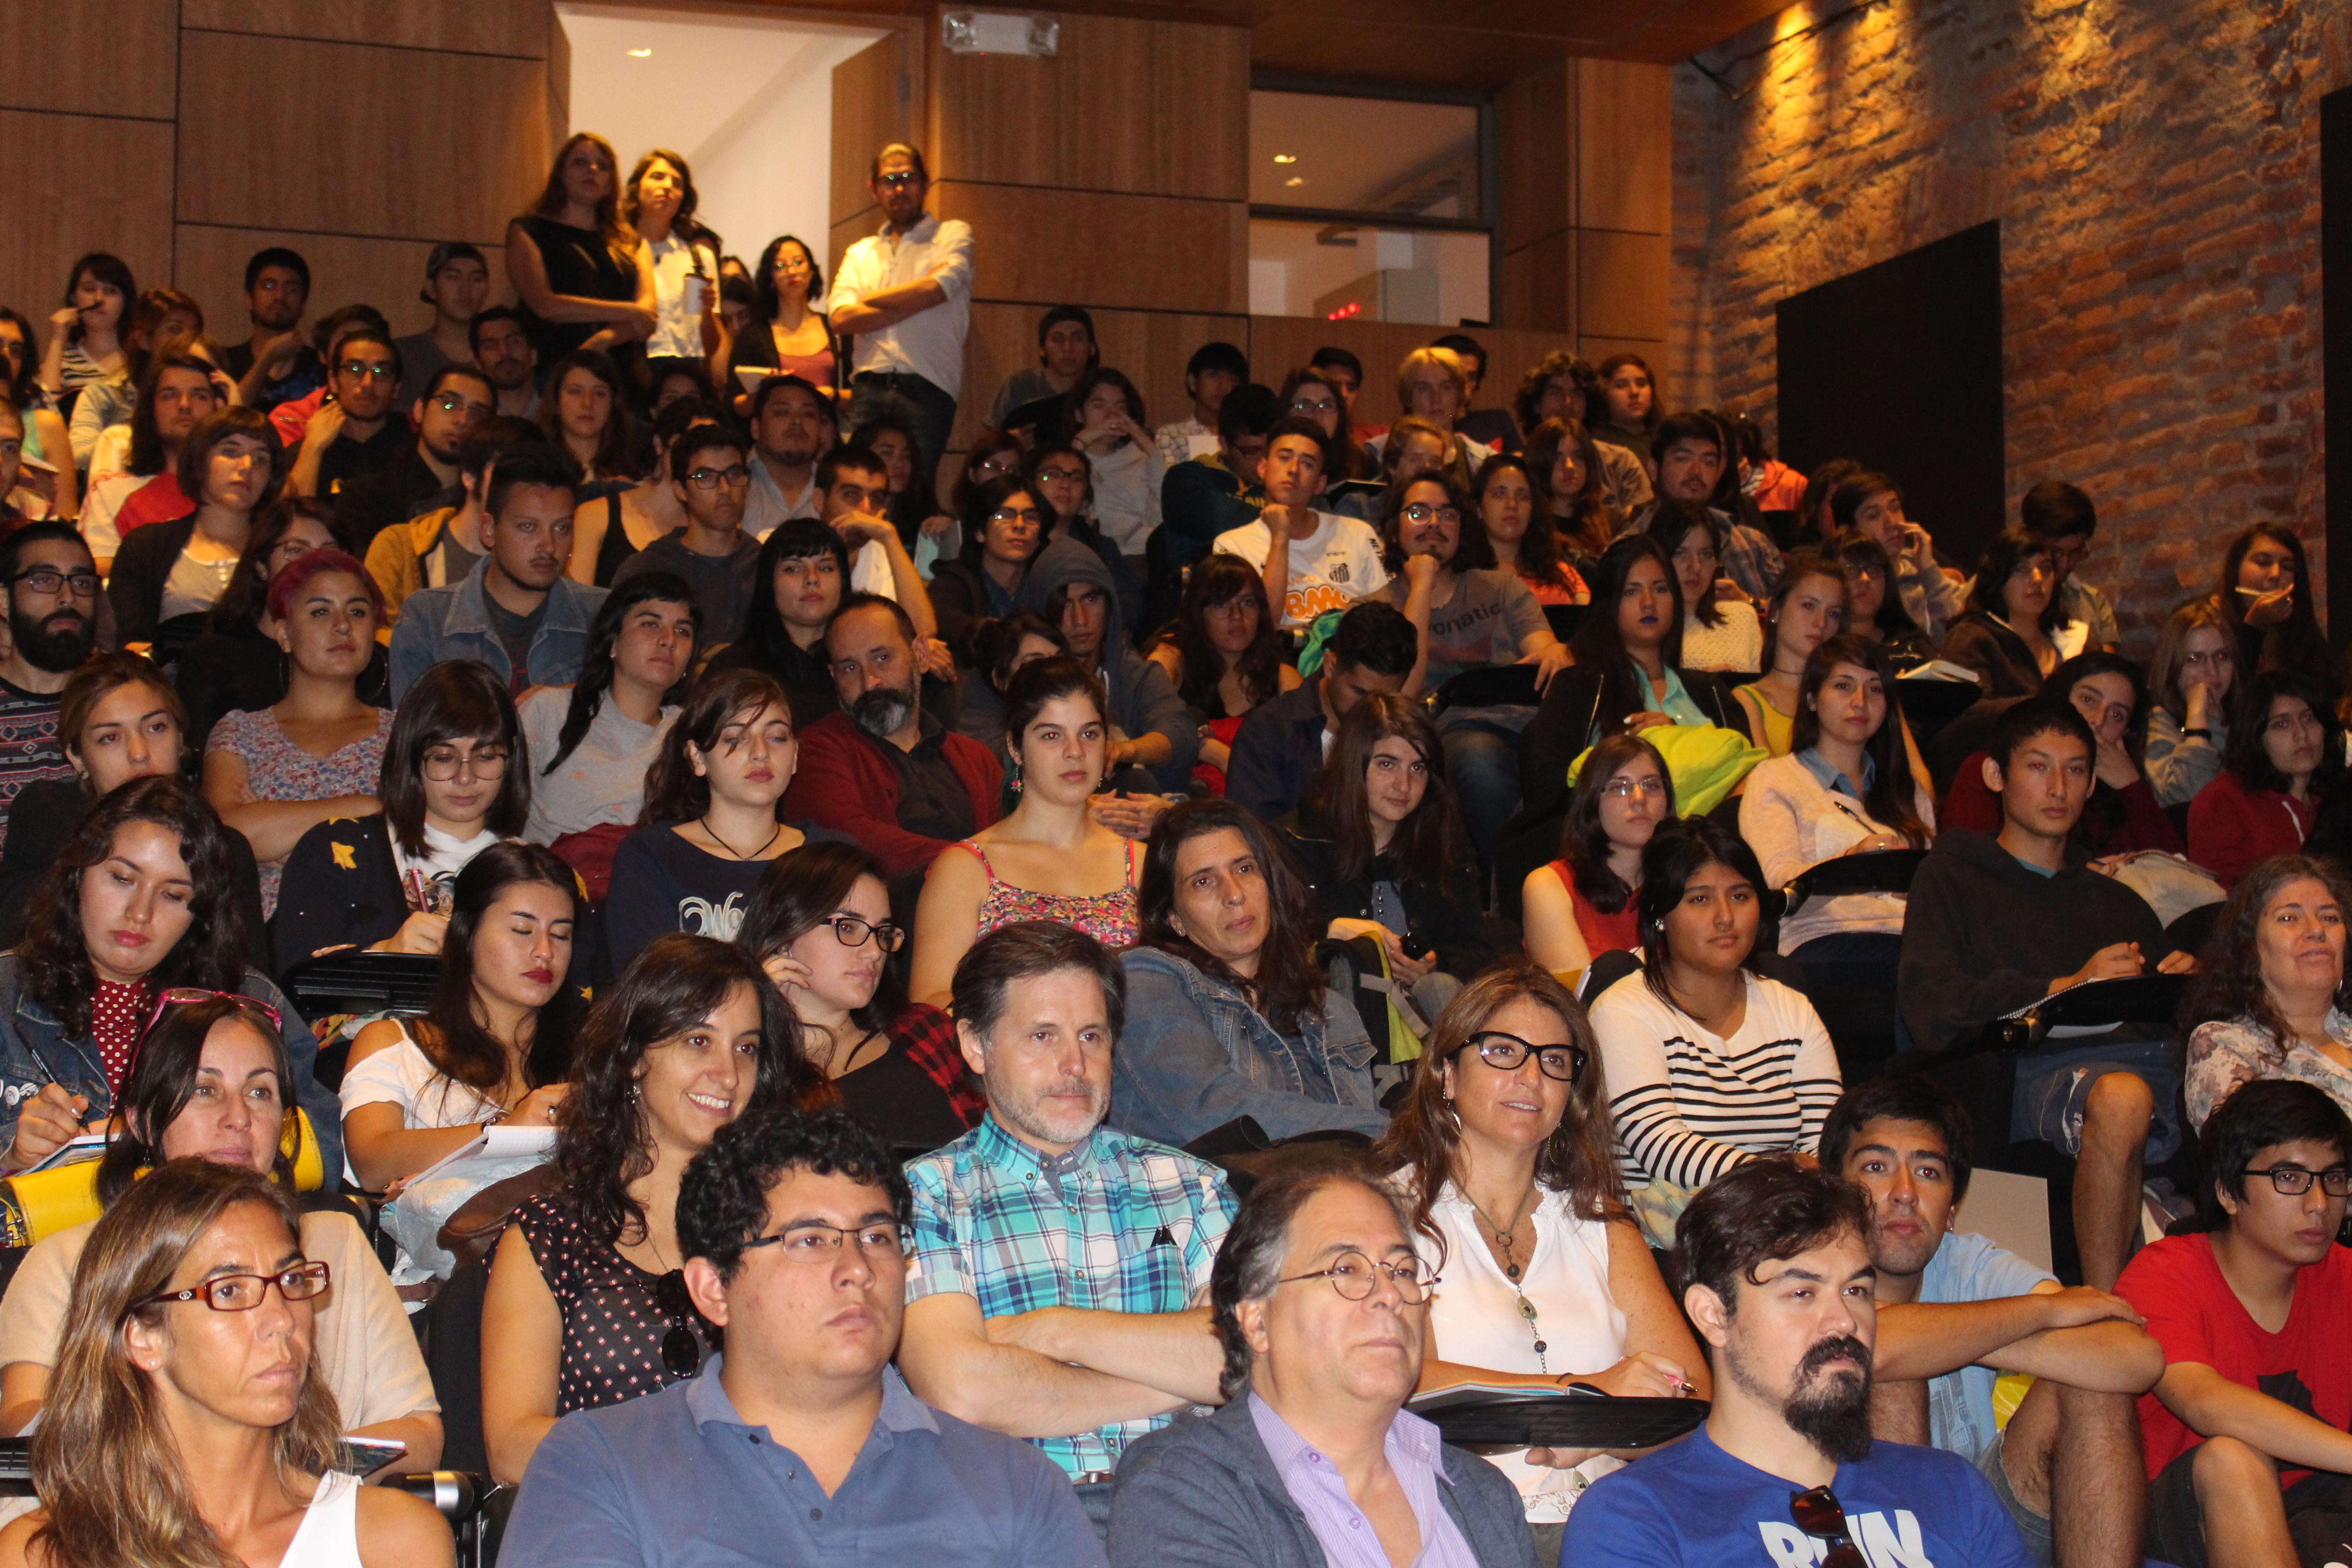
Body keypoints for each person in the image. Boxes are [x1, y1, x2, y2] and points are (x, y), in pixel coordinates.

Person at [499, 1106, 1103, 1568]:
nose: (858, 1270)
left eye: (878, 1237)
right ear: (713, 1289)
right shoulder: (601, 1465)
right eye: (809, 1241)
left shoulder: (1015, 1484)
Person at [0, 994, 442, 1467]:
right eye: (205, 1091)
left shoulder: (335, 1244)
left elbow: (418, 1434)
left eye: (260, 1093)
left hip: (306, 1516)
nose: (238, 1118)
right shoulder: (67, 1259)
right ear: (143, 1121)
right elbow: (26, 1425)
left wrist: (279, 1489)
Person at [901, 920, 1235, 1535]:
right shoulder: (923, 1195)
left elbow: (1240, 1355)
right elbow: (963, 1389)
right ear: (976, 1046)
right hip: (1018, 1519)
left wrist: (1052, 1332)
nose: (1075, 1065)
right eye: (1042, 1036)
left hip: (1193, 1508)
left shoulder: (1192, 1185)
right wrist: (1175, 1375)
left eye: (1091, 1035)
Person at [1562, 1156, 2037, 1567]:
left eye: (1856, 1291)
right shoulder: (1637, 1517)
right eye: (1802, 1292)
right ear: (1714, 1315)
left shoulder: (1951, 1491)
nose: (1844, 1322)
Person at [1382, 965, 1708, 1554]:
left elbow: (1689, 1400)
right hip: (1464, 1525)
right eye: (1504, 1052)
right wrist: (1584, 1399)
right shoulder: (1387, 1215)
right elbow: (1403, 1381)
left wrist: (1597, 1428)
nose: (1532, 1076)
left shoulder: (1601, 1223)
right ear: (1446, 1075)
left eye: (1556, 1061)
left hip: (1622, 1523)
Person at [479, 933, 821, 1483]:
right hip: (608, 1530)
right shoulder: (550, 1235)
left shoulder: (784, 1231)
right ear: (633, 1058)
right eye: (697, 1041)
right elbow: (513, 1445)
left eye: (746, 1048)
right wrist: (679, 1459)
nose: (729, 1075)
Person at [0, 1161, 454, 1568]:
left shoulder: (392, 1542)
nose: (281, 1318)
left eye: (292, 1279)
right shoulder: (42, 1554)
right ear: (142, 1336)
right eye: (230, 1291)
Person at [1897, 697, 2195, 1290]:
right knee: (2121, 1098)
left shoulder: (2116, 899)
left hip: (2153, 1060)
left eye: (2077, 769)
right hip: (2027, 1071)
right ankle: (2108, 1306)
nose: (2059, 787)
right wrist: (2070, 986)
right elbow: (1932, 1008)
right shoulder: (1952, 875)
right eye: (2038, 767)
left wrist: (2190, 981)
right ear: (1996, 775)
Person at [1106, 1159, 1536, 1568]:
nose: (1388, 1293)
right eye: (1345, 1268)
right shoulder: (1183, 1489)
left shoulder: (1485, 1495)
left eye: (1403, 1270)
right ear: (1256, 1319)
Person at [1823, 1077, 2162, 1568]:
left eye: (1929, 1172)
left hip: (1984, 1518)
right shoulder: (1807, 1268)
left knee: (2093, 1379)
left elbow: (2138, 1357)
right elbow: (1875, 1346)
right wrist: (2040, 1314)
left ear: (1953, 1210)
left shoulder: (1969, 1263)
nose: (1904, 1193)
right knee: (1899, 1375)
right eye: (1876, 1167)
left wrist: (1968, 1339)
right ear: (1833, 1192)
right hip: (1856, 1526)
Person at [0, 776, 341, 1180]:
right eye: (123, 879)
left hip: (212, 1226)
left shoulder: (248, 999)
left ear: (199, 912)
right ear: (78, 876)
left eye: (172, 895)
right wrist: (12, 1155)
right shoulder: (7, 990)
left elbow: (324, 1147)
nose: (140, 913)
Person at [2113, 1080, 2352, 1568]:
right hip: (2187, 1507)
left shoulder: (2345, 1274)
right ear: (2227, 1192)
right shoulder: (2166, 1273)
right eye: (2290, 1178)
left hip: (2324, 1513)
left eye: (2334, 1178)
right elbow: (2205, 1403)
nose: (2319, 1204)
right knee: (2234, 1461)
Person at [1586, 819, 1842, 1245]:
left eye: (1740, 896)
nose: (1725, 917)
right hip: (1662, 1247)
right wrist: (1779, 1172)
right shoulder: (1623, 1011)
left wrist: (1791, 1182)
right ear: (1661, 914)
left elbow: (1828, 1144)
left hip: (1781, 1236)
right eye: (1700, 899)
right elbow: (1661, 1147)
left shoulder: (1792, 1010)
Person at [1115, 800, 1385, 1145]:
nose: (1235, 895)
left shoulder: (1332, 1009)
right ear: (1174, 918)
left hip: (1350, 1186)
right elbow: (1214, 1110)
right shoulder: (1148, 983)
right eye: (1203, 882)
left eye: (1244, 869)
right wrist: (1390, 1135)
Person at [339, 842, 583, 1191]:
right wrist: (502, 1133)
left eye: (561, 935)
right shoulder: (394, 1042)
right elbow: (372, 1161)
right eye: (522, 931)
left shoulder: (593, 1056)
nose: (545, 952)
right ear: (466, 934)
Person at [1739, 634, 1935, 1067]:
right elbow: (1778, 879)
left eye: (1875, 688)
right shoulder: (1775, 779)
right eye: (1843, 686)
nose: (1861, 700)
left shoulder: (1907, 790)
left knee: (1952, 958)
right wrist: (1854, 862)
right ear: (1811, 698)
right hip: (1823, 942)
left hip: (1910, 940)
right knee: (1931, 968)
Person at [908, 660, 1141, 1007]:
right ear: (1015, 748)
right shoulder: (965, 869)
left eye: (1089, 733)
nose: (1075, 751)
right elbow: (931, 1001)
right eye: (1051, 735)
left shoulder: (1142, 863)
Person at [1373, 472, 1569, 871]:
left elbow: (1544, 652)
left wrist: (1558, 652)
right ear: (1394, 531)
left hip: (1525, 719)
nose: (1433, 523)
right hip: (1450, 733)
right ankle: (1509, 887)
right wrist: (1422, 587)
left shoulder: (1501, 588)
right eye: (1418, 513)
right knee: (1479, 757)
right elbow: (1404, 694)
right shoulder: (1375, 609)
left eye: (1447, 514)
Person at [272, 660, 527, 962]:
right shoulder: (333, 848)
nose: (465, 777)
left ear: (511, 757)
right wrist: (384, 953)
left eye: (485, 757)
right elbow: (296, 974)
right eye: (444, 758)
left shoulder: (535, 874)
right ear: (410, 756)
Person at [0, 655, 262, 947]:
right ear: (77, 757)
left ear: (180, 738)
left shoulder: (225, 848)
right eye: (111, 737)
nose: (139, 753)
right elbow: (20, 945)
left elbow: (243, 980)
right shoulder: (48, 816)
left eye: (156, 728)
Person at [735, 841, 979, 1148]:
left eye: (882, 932)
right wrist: (759, 1015)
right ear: (784, 935)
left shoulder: (926, 1031)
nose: (874, 951)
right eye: (848, 927)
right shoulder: (744, 1061)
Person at [604, 667, 841, 972]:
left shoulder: (832, 858)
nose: (760, 753)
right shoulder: (651, 857)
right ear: (698, 758)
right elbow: (647, 987)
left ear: (795, 755)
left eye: (777, 737)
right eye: (736, 738)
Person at [201, 549, 392, 915]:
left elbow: (418, 837)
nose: (342, 625)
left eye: (357, 611)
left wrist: (279, 827)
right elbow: (229, 839)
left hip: (377, 936)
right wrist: (366, 807)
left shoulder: (406, 732)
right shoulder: (241, 731)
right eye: (321, 612)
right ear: (284, 633)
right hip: (259, 938)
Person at [1290, 693, 1504, 1019]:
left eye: (1418, 768)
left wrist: (1433, 964)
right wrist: (1332, 932)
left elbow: (1476, 949)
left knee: (1440, 987)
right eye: (1386, 764)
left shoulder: (1445, 844)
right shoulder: (1299, 840)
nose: (1403, 785)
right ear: (1353, 763)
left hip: (1423, 1014)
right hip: (1335, 1017)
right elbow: (1266, 945)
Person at [1519, 534, 1752, 823]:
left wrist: (1677, 735)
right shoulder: (1578, 687)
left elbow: (1750, 774)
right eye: (1631, 592)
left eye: (1661, 589)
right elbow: (1550, 793)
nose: (1648, 603)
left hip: (1715, 837)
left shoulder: (1712, 692)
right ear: (1609, 604)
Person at [784, 594, 1002, 877]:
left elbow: (1015, 841)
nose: (869, 681)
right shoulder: (816, 750)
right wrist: (974, 861)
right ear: (833, 677)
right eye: (850, 668)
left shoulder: (976, 759)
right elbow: (849, 840)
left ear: (921, 655)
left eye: (882, 658)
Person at [388, 443, 608, 696]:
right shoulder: (428, 620)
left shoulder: (602, 615)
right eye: (528, 527)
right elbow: (413, 730)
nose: (548, 546)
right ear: (489, 530)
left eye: (562, 529)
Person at [181, 499, 388, 749]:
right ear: (261, 567)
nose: (315, 564)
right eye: (296, 550)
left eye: (329, 551)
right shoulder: (215, 657)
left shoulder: (372, 661)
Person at [519, 575, 693, 859]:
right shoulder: (550, 711)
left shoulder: (693, 735)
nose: (668, 641)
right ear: (613, 641)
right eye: (651, 624)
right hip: (546, 886)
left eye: (683, 631)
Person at [831, 142, 974, 487]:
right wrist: (917, 297)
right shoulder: (860, 252)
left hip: (927, 387)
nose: (898, 189)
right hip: (868, 386)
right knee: (859, 487)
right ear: (873, 189)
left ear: (925, 183)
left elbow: (938, 289)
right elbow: (840, 319)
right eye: (889, 180)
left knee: (915, 492)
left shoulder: (952, 235)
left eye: (908, 178)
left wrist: (869, 301)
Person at [2182, 855, 2352, 1131]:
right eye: (2289, 918)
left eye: (2330, 917)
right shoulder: (2225, 1045)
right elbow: (2255, 1157)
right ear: (2249, 947)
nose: (2317, 930)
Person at [1016, 538, 1197, 795]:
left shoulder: (1136, 673)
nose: (1080, 619)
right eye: (1065, 604)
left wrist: (1123, 750)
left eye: (1090, 600)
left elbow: (1180, 734)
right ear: (1041, 612)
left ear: (1110, 604)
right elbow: (991, 753)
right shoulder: (1016, 674)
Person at [108, 407, 281, 659]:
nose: (246, 467)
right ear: (200, 462)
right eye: (230, 452)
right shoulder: (146, 547)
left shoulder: (281, 551)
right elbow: (128, 645)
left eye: (260, 459)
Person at [1224, 598, 1415, 827]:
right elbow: (1255, 836)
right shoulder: (1269, 732)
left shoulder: (1408, 738)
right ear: (1331, 666)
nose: (1370, 709)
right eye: (1359, 693)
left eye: (1384, 698)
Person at [1212, 418, 1389, 631]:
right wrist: (1280, 538)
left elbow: (1386, 618)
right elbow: (1258, 627)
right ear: (1263, 468)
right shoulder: (1231, 547)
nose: (1294, 469)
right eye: (1284, 458)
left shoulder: (1357, 534)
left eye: (1308, 464)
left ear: (1320, 484)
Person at [364, 414, 544, 624]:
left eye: (532, 479)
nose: (520, 490)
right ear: (470, 476)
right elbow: (374, 634)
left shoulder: (543, 554)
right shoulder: (400, 547)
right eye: (506, 475)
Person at [1521, 733, 1671, 979]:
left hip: (1686, 1016)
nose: (1639, 799)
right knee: (1612, 970)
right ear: (1591, 802)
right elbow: (1583, 1003)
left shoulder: (1688, 880)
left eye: (1651, 785)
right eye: (1619, 788)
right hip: (1598, 1015)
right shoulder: (1549, 886)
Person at [1146, 554, 1298, 790]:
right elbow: (1142, 722)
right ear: (1199, 613)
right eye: (1221, 605)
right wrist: (1217, 754)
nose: (1236, 617)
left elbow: (1302, 763)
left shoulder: (1283, 678)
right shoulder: (1174, 660)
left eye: (1248, 603)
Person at [507, 132, 653, 368]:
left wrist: (603, 340)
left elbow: (648, 315)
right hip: (557, 367)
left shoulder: (632, 242)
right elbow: (546, 306)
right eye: (580, 162)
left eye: (602, 166)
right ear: (561, 174)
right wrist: (628, 311)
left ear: (610, 185)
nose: (592, 170)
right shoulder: (529, 231)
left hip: (622, 373)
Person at [77, 347, 227, 572]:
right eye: (169, 395)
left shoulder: (237, 491)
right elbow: (97, 575)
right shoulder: (112, 492)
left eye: (200, 395)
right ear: (151, 409)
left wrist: (235, 424)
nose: (185, 404)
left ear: (219, 408)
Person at [607, 420, 757, 644]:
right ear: (680, 490)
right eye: (705, 477)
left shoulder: (765, 564)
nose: (725, 489)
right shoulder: (648, 569)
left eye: (734, 474)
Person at [2190, 668, 2340, 890]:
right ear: (2256, 739)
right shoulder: (2224, 801)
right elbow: (2222, 904)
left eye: (2309, 718)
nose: (2302, 734)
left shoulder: (2339, 800)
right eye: (2282, 724)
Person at [0, 522, 98, 851]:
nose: (68, 597)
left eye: (82, 582)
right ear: (4, 600)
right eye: (45, 580)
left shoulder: (122, 700)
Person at [333, 362, 494, 554]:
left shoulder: (492, 502)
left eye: (477, 413)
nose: (462, 419)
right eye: (449, 404)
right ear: (419, 410)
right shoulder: (366, 498)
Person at [708, 519, 858, 725]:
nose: (812, 579)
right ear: (768, 583)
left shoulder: (861, 662)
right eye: (793, 569)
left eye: (825, 568)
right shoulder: (736, 670)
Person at [567, 395, 712, 588]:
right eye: (688, 447)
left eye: (710, 452)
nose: (699, 461)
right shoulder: (595, 516)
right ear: (660, 444)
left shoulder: (714, 525)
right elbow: (577, 604)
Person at [1638, 412, 1784, 602]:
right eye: (1683, 459)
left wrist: (1749, 604)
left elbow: (1789, 613)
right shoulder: (1631, 547)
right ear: (1654, 469)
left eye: (1708, 462)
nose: (1696, 472)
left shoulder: (1753, 544)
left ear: (1719, 472)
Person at [1734, 549, 1849, 755]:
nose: (1821, 623)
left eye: (1833, 614)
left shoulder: (1853, 692)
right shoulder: (1748, 700)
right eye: (1808, 606)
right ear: (1775, 611)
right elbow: (1769, 783)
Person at [1833, 471, 1967, 645]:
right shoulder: (1845, 585)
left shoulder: (1922, 575)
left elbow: (1960, 640)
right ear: (1848, 531)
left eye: (1895, 509)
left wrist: (1929, 571)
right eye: (1874, 516)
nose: (1892, 523)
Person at [625, 149, 726, 372]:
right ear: (637, 187)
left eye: (677, 183)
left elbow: (709, 348)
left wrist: (708, 312)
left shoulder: (699, 258)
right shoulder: (619, 251)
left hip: (685, 371)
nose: (668, 186)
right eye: (658, 177)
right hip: (630, 367)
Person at [1163, 383, 1278, 573]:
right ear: (1224, 444)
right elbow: (1218, 522)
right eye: (1253, 451)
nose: (1265, 460)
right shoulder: (1187, 478)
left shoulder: (1284, 479)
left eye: (1273, 448)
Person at [283, 327, 407, 503]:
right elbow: (290, 521)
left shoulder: (415, 449)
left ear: (397, 388)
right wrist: (312, 451)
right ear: (333, 382)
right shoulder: (305, 452)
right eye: (355, 369)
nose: (367, 383)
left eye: (382, 372)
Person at [1942, 529, 2068, 698]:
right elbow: (1968, 713)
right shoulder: (1971, 640)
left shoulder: (2075, 641)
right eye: (2022, 569)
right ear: (1998, 579)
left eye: (2046, 569)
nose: (2038, 579)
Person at [2144, 598, 2243, 810]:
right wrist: (2198, 717)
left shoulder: (2246, 718)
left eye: (2222, 656)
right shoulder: (2159, 722)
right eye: (2195, 659)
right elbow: (2190, 798)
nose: (2212, 671)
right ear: (2173, 665)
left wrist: (2216, 721)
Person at [929, 473, 1046, 651]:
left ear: (1039, 539)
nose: (1020, 525)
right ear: (980, 532)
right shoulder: (952, 585)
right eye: (1004, 515)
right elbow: (950, 628)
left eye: (1031, 517)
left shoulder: (1046, 586)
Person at [1648, 498, 1764, 675]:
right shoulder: (1643, 628)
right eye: (1680, 554)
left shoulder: (1742, 617)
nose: (1696, 567)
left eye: (1706, 554)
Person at [1064, 368, 1163, 562]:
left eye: (1120, 408)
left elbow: (1161, 519)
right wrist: (1082, 440)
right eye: (1099, 406)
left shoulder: (1142, 460)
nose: (1111, 415)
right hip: (1096, 558)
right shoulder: (1070, 459)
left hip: (1145, 555)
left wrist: (1149, 447)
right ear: (1079, 415)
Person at [2218, 523, 2333, 687]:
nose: (2276, 575)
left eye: (2288, 567)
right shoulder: (2215, 628)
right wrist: (2255, 626)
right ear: (2237, 568)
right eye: (2263, 563)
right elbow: (2230, 694)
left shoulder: (2302, 634)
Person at [726, 235, 836, 402]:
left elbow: (857, 393)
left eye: (798, 263)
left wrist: (833, 396)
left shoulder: (835, 327)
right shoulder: (753, 335)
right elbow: (734, 401)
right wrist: (766, 396)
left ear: (811, 271)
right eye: (780, 266)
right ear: (771, 279)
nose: (791, 272)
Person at [35, 252, 134, 435]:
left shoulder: (139, 362)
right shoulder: (60, 362)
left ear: (125, 301)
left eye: (111, 291)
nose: (99, 299)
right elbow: (46, 409)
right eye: (89, 289)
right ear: (74, 298)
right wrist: (58, 339)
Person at [1476, 449, 1589, 606]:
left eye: (1522, 496)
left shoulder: (1563, 574)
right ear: (1479, 509)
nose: (1512, 504)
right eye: (1500, 494)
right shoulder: (1462, 577)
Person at [217, 247, 323, 411]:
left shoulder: (321, 368)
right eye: (269, 286)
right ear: (249, 299)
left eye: (292, 289)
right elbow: (223, 420)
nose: (280, 296)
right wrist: (268, 357)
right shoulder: (224, 362)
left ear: (303, 305)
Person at [2019, 480, 2119, 654]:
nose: (2065, 565)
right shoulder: (1987, 591)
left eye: (2075, 553)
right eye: (2056, 553)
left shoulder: (2093, 603)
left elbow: (2109, 666)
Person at [394, 241, 492, 408]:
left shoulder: (496, 356)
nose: (465, 290)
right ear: (431, 288)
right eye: (453, 278)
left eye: (476, 279)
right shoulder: (403, 355)